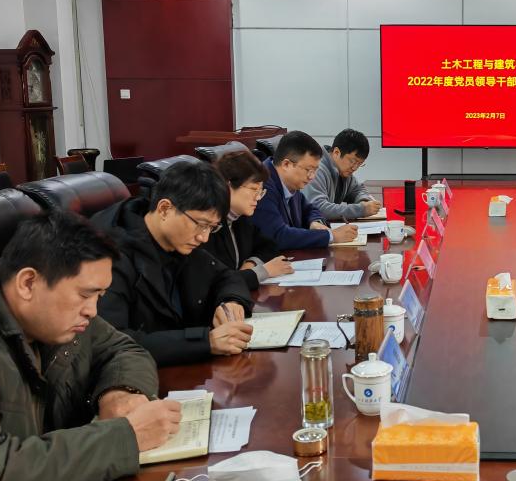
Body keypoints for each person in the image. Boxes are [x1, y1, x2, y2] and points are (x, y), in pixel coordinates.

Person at [0, 210, 181, 481]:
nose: (92, 311)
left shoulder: (54, 318)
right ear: (28, 283)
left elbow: (124, 349)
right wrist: (125, 437)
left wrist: (119, 392)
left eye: (99, 295)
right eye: (85, 295)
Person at [91, 160, 254, 366]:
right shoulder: (111, 257)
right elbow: (112, 341)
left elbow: (225, 275)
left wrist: (231, 302)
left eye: (211, 228)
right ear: (164, 209)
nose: (204, 238)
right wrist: (206, 342)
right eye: (201, 224)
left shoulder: (178, 240)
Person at [252, 130, 358, 250]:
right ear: (286, 164)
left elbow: (310, 209)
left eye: (315, 170)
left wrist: (314, 222)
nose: (312, 177)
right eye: (309, 170)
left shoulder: (291, 181)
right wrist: (331, 236)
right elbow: (278, 236)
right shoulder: (261, 185)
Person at [207, 150, 294, 291]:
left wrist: (251, 263)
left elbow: (269, 246)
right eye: (254, 189)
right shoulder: (208, 226)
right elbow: (217, 283)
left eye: (261, 191)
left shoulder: (240, 218)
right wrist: (263, 271)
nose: (258, 198)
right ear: (228, 186)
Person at [303, 128, 382, 221]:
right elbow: (317, 208)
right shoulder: (317, 169)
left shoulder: (343, 171)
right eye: (352, 161)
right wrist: (361, 209)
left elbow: (357, 190)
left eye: (359, 164)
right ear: (336, 153)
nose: (355, 168)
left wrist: (364, 201)